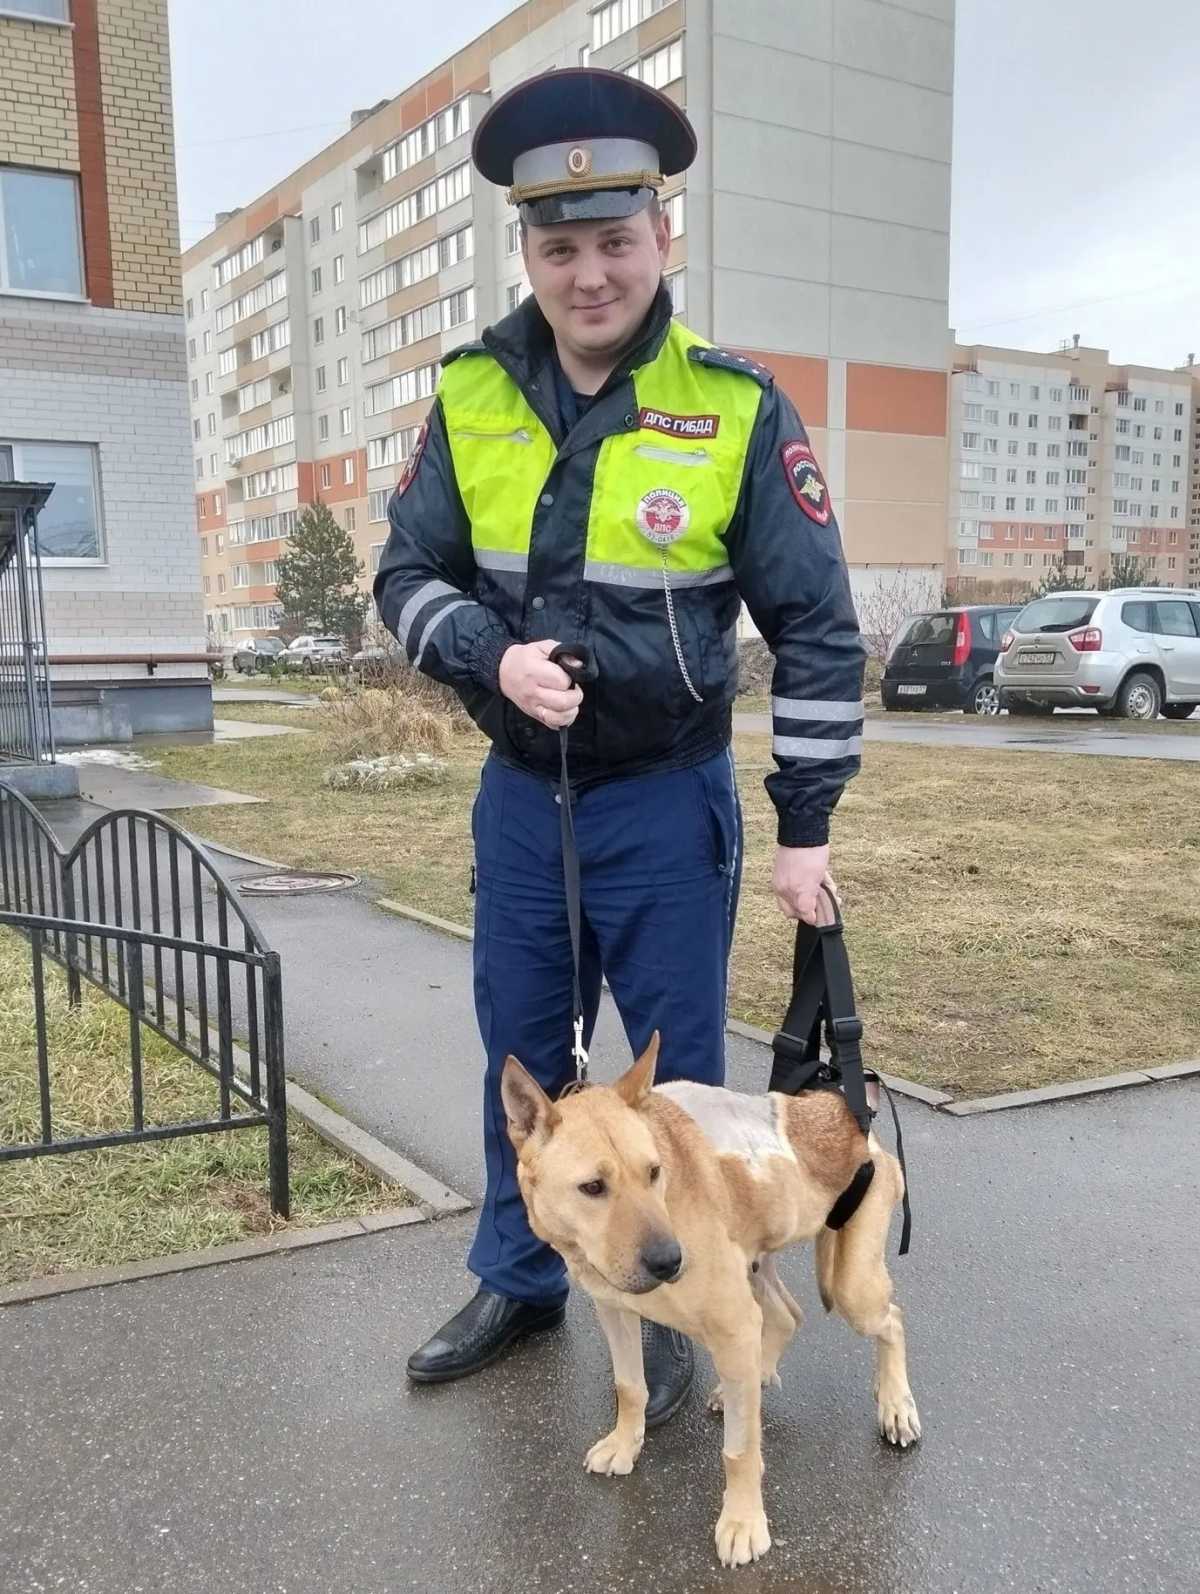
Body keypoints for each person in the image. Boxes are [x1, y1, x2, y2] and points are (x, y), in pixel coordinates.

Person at [373, 67, 865, 1422]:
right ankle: (521, 1281)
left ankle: (705, 1303)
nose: (588, 275)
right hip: (525, 805)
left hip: (665, 804)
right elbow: (403, 580)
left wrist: (806, 826)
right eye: (557, 246)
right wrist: (489, 655)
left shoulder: (739, 409)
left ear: (663, 237)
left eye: (614, 241)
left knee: (664, 1088)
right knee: (525, 1067)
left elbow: (819, 628)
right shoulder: (469, 395)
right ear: (527, 249)